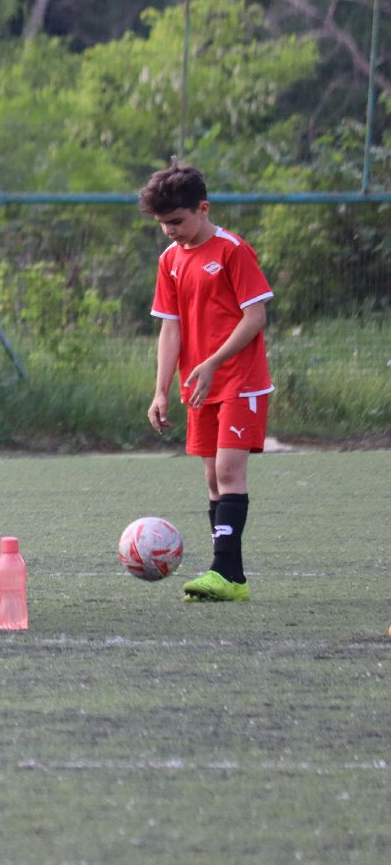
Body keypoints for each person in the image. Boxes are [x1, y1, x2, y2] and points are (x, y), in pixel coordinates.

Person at [142, 164, 273, 603]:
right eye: (163, 225)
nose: (170, 232)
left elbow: (254, 317)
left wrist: (214, 361)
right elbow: (171, 329)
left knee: (228, 472)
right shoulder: (170, 261)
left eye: (177, 222)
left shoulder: (232, 250)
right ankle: (231, 579)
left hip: (240, 379)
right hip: (200, 385)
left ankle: (224, 572)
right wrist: (161, 389)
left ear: (203, 208)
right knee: (213, 482)